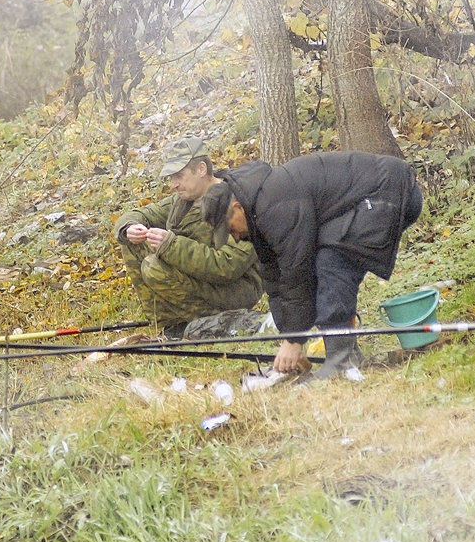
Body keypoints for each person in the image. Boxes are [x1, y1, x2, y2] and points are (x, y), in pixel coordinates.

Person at [201, 151, 423, 379]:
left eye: (230, 229)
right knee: (328, 260)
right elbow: (275, 276)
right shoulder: (256, 207)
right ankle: (347, 355)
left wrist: (294, 340)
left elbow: (298, 273)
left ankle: (341, 362)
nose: (235, 237)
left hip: (389, 191)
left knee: (333, 264)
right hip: (366, 198)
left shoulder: (274, 205)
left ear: (238, 208)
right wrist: (287, 339)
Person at [113, 137, 263, 337]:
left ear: (201, 169)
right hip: (202, 281)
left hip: (236, 287)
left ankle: (215, 321)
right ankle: (172, 325)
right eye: (171, 178)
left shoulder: (236, 202)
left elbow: (227, 266)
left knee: (154, 267)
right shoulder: (183, 201)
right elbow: (140, 213)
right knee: (132, 243)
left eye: (179, 176)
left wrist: (171, 246)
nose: (173, 185)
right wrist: (130, 227)